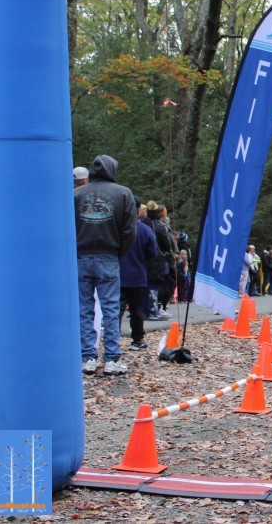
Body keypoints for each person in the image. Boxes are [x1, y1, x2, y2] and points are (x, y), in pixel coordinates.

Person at [75, 155, 137, 376]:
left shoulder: (76, 195)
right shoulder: (124, 194)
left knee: (84, 309)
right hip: (109, 255)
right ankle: (111, 358)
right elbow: (130, 231)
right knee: (111, 308)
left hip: (81, 257)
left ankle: (87, 357)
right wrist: (118, 252)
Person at [119, 196, 158, 352]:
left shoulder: (117, 228)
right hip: (138, 275)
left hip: (118, 274)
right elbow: (152, 253)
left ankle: (113, 339)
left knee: (116, 309)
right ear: (137, 210)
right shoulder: (145, 230)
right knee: (137, 310)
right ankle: (137, 339)